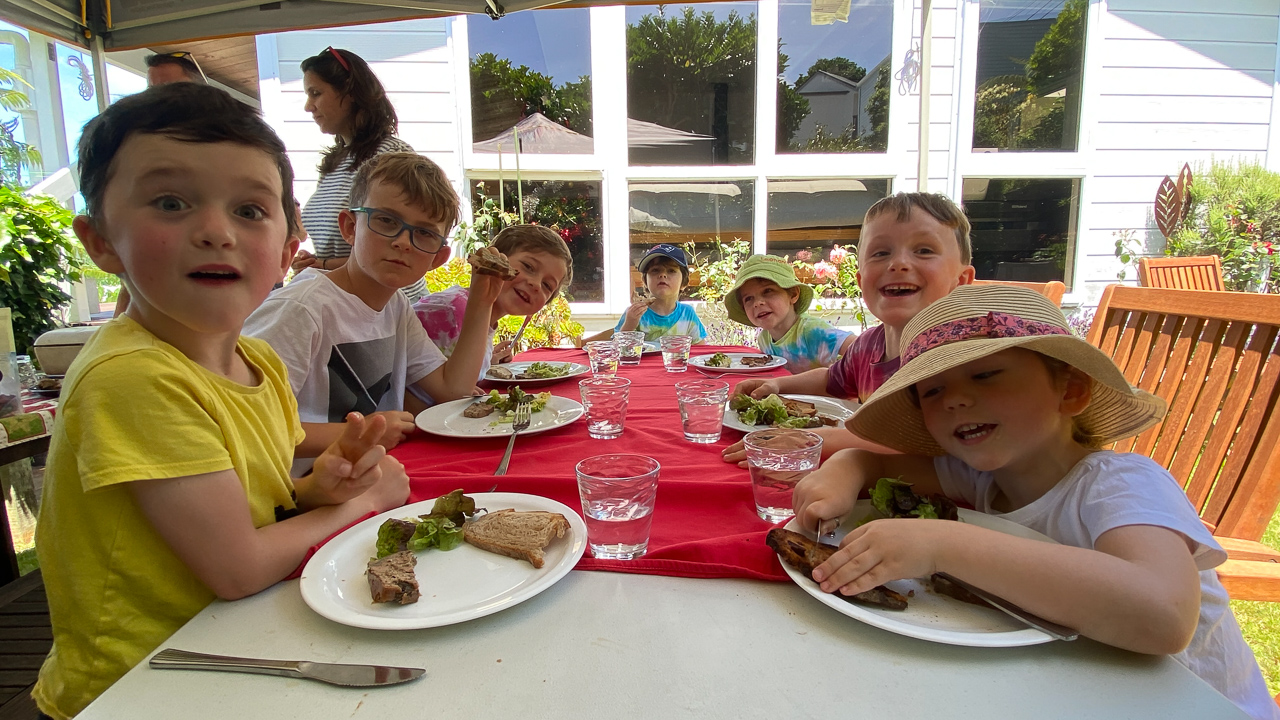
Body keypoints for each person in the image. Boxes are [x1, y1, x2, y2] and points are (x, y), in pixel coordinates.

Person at [32, 83, 411, 720]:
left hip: (241, 648)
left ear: (288, 250)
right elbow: (237, 567)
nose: (215, 232)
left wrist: (317, 491)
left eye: (249, 210)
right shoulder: (132, 376)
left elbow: (261, 501)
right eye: (171, 203)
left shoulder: (257, 362)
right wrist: (367, 502)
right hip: (147, 683)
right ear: (100, 242)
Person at [793, 285, 1278, 720]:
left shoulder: (1122, 484)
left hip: (1190, 702)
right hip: (1069, 689)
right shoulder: (983, 476)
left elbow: (1164, 616)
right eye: (932, 390)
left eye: (986, 375)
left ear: (1071, 390)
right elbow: (870, 462)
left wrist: (943, 545)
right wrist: (843, 471)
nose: (954, 400)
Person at [245, 152, 502, 473]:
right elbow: (245, 427)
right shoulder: (300, 310)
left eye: (424, 233)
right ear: (350, 227)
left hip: (370, 475)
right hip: (298, 491)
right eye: (387, 221)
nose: (403, 242)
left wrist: (481, 302)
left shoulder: (396, 307)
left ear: (437, 258)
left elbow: (453, 390)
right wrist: (364, 431)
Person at [723, 192, 975, 466]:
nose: (898, 264)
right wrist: (776, 384)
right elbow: (831, 380)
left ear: (961, 281)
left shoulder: (954, 358)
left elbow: (916, 439)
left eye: (924, 250)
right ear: (861, 279)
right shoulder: (868, 345)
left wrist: (809, 441)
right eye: (881, 253)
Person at [292, 47, 427, 301]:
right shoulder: (334, 162)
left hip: (391, 308)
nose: (308, 106)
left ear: (351, 93)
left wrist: (322, 265)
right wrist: (315, 262)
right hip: (348, 304)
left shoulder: (390, 155)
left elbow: (400, 247)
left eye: (316, 93)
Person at [414, 224, 573, 379]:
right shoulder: (451, 311)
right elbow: (409, 381)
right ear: (497, 259)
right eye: (528, 267)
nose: (536, 284)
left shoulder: (482, 317)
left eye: (547, 285)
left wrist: (487, 361)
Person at [724, 254, 853, 374]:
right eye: (748, 299)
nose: (757, 303)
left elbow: (860, 347)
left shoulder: (812, 331)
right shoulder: (764, 339)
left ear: (793, 294)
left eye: (768, 291)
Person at [613, 243, 707, 342]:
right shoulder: (634, 313)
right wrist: (629, 324)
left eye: (671, 271)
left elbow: (701, 347)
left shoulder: (687, 313)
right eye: (655, 270)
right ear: (645, 281)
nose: (662, 275)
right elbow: (617, 347)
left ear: (684, 282)